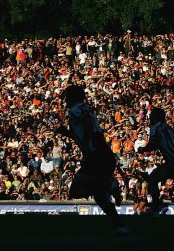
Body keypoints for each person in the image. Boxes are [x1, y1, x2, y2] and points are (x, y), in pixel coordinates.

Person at [55, 84, 129, 235]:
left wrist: (89, 142)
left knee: (75, 191)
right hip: (103, 154)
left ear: (74, 97)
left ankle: (110, 185)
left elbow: (87, 128)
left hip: (96, 156)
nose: (66, 100)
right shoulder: (87, 108)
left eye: (67, 96)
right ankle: (119, 226)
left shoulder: (75, 110)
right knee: (100, 197)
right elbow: (84, 131)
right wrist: (67, 133)